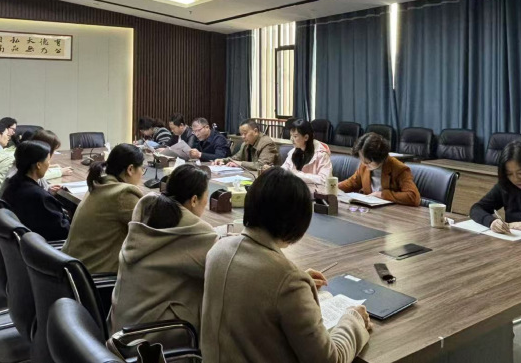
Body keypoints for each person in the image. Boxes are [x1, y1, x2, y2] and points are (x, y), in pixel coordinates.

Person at [201, 168, 371, 362]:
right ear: (297, 222)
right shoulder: (288, 282)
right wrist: (353, 319)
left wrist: (293, 283)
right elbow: (329, 359)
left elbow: (255, 286)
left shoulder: (218, 249)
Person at [110, 164, 217, 336]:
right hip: (151, 339)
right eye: (206, 196)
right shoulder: (196, 233)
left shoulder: (147, 213)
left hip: (120, 328)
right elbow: (223, 270)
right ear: (194, 200)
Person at [63, 144, 146, 274]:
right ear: (130, 169)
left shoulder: (99, 183)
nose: (142, 174)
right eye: (142, 168)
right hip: (95, 276)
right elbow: (151, 229)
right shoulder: (123, 193)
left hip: (75, 269)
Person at [1, 140, 70, 241]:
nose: (49, 164)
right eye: (48, 161)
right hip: (42, 246)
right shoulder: (38, 196)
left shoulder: (13, 183)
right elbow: (63, 231)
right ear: (38, 165)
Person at [338, 132, 421, 206]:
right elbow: (352, 183)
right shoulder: (364, 166)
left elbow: (413, 197)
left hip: (392, 213)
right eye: (362, 159)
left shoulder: (399, 169)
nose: (364, 163)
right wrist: (333, 186)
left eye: (368, 161)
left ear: (380, 158)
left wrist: (382, 195)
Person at [281, 119, 332, 193]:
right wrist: (274, 170)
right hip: (296, 191)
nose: (291, 139)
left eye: (295, 136)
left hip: (315, 194)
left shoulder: (321, 154)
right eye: (291, 135)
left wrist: (298, 175)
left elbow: (324, 180)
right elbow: (284, 169)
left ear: (306, 137)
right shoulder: (293, 152)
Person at [215, 118, 280, 172]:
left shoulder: (267, 143)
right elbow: (236, 158)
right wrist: (223, 160)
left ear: (255, 131)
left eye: (245, 133)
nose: (243, 137)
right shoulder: (245, 144)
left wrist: (240, 164)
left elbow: (262, 165)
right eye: (241, 134)